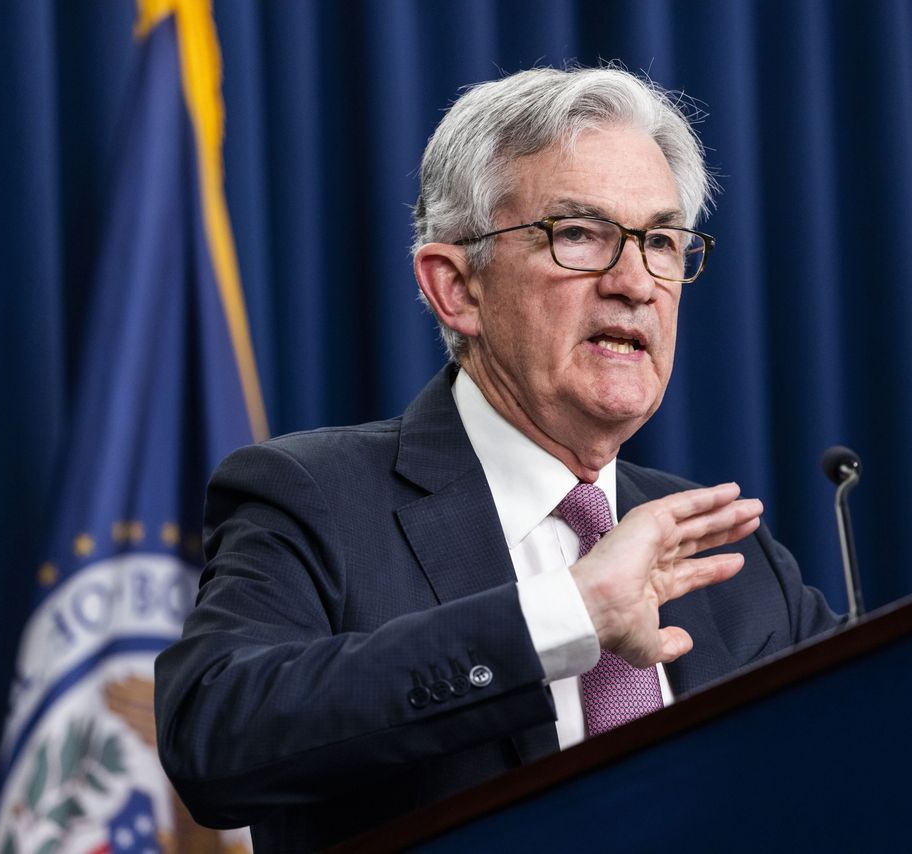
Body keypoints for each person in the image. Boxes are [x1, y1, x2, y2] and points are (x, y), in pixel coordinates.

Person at [155, 66, 841, 852]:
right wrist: (564, 617)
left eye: (659, 241)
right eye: (579, 234)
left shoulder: (734, 561)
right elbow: (215, 736)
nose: (634, 283)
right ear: (456, 289)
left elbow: (875, 758)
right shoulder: (316, 498)